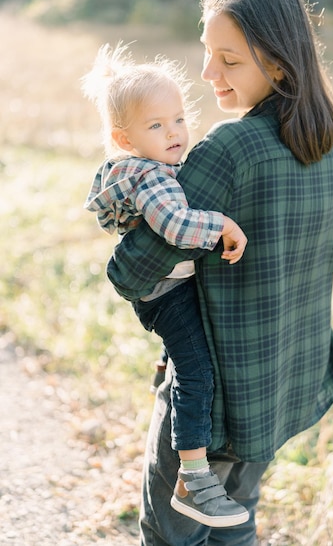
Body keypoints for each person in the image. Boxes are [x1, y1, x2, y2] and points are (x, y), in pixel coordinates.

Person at [107, 0, 333, 546]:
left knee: (171, 535)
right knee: (236, 524)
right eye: (207, 53)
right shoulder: (325, 138)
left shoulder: (230, 147)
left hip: (213, 402)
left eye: (230, 60)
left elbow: (129, 272)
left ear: (281, 63)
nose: (208, 73)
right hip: (280, 384)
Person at [82, 42, 250, 528]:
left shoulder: (154, 164)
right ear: (124, 137)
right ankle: (192, 480)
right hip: (166, 292)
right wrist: (220, 224)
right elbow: (176, 227)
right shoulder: (149, 175)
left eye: (178, 118)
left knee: (188, 349)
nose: (174, 132)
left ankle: (165, 366)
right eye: (156, 125)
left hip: (166, 287)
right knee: (197, 372)